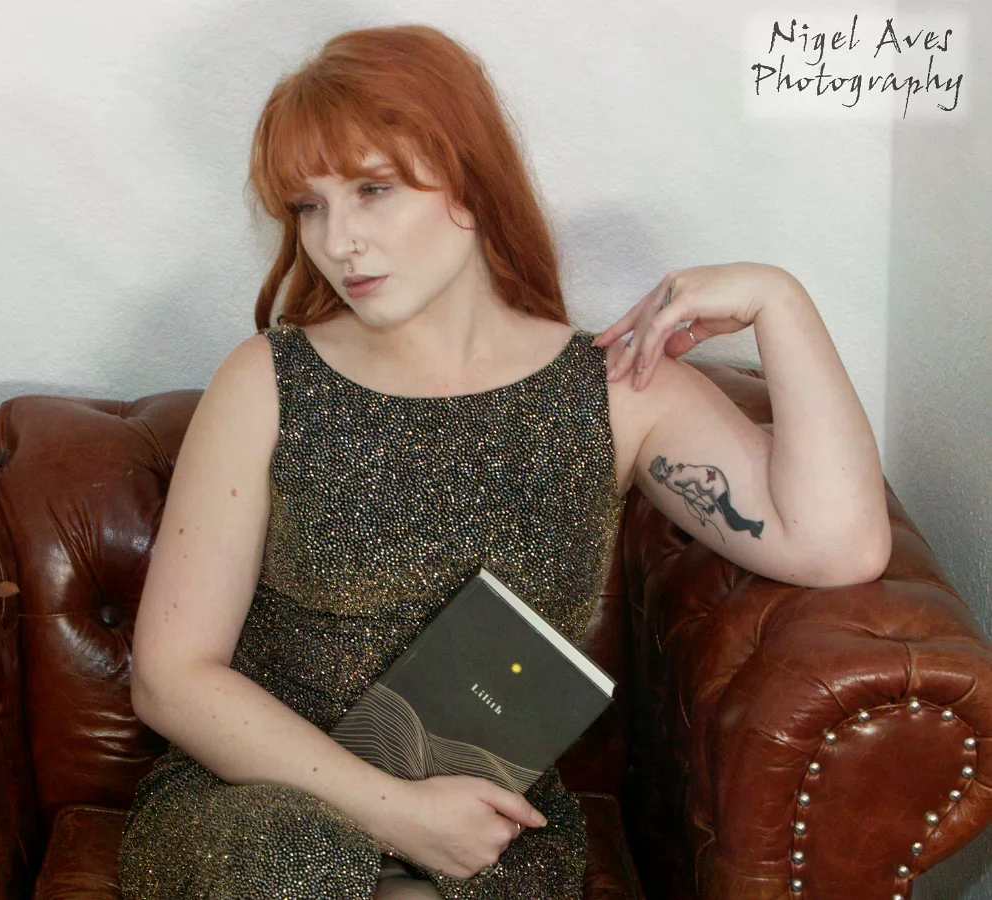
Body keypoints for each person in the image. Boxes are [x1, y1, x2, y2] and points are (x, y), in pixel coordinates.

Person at [118, 23, 890, 900]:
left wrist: (779, 301)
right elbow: (172, 680)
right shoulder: (268, 380)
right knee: (307, 867)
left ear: (471, 178)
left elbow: (838, 543)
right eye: (309, 207)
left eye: (372, 189)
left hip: (482, 821)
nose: (338, 241)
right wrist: (395, 813)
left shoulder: (613, 390)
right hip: (259, 805)